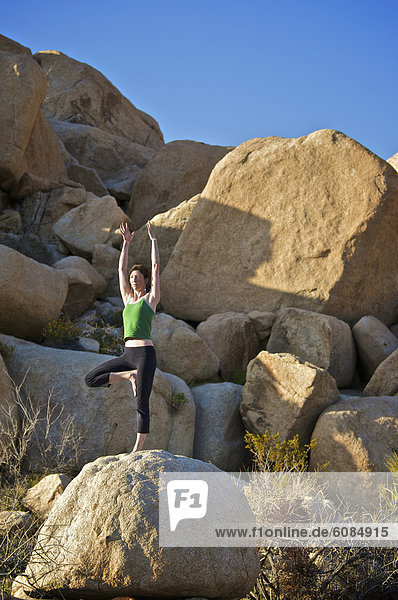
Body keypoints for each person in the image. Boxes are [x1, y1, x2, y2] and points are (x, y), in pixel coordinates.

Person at [85, 221, 160, 451]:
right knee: (90, 378)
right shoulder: (127, 299)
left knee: (141, 403)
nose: (134, 279)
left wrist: (153, 241)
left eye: (138, 276)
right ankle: (128, 376)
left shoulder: (151, 300)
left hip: (145, 355)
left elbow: (156, 266)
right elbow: (120, 269)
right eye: (132, 277)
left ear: (146, 280)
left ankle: (137, 449)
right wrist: (126, 244)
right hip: (128, 355)